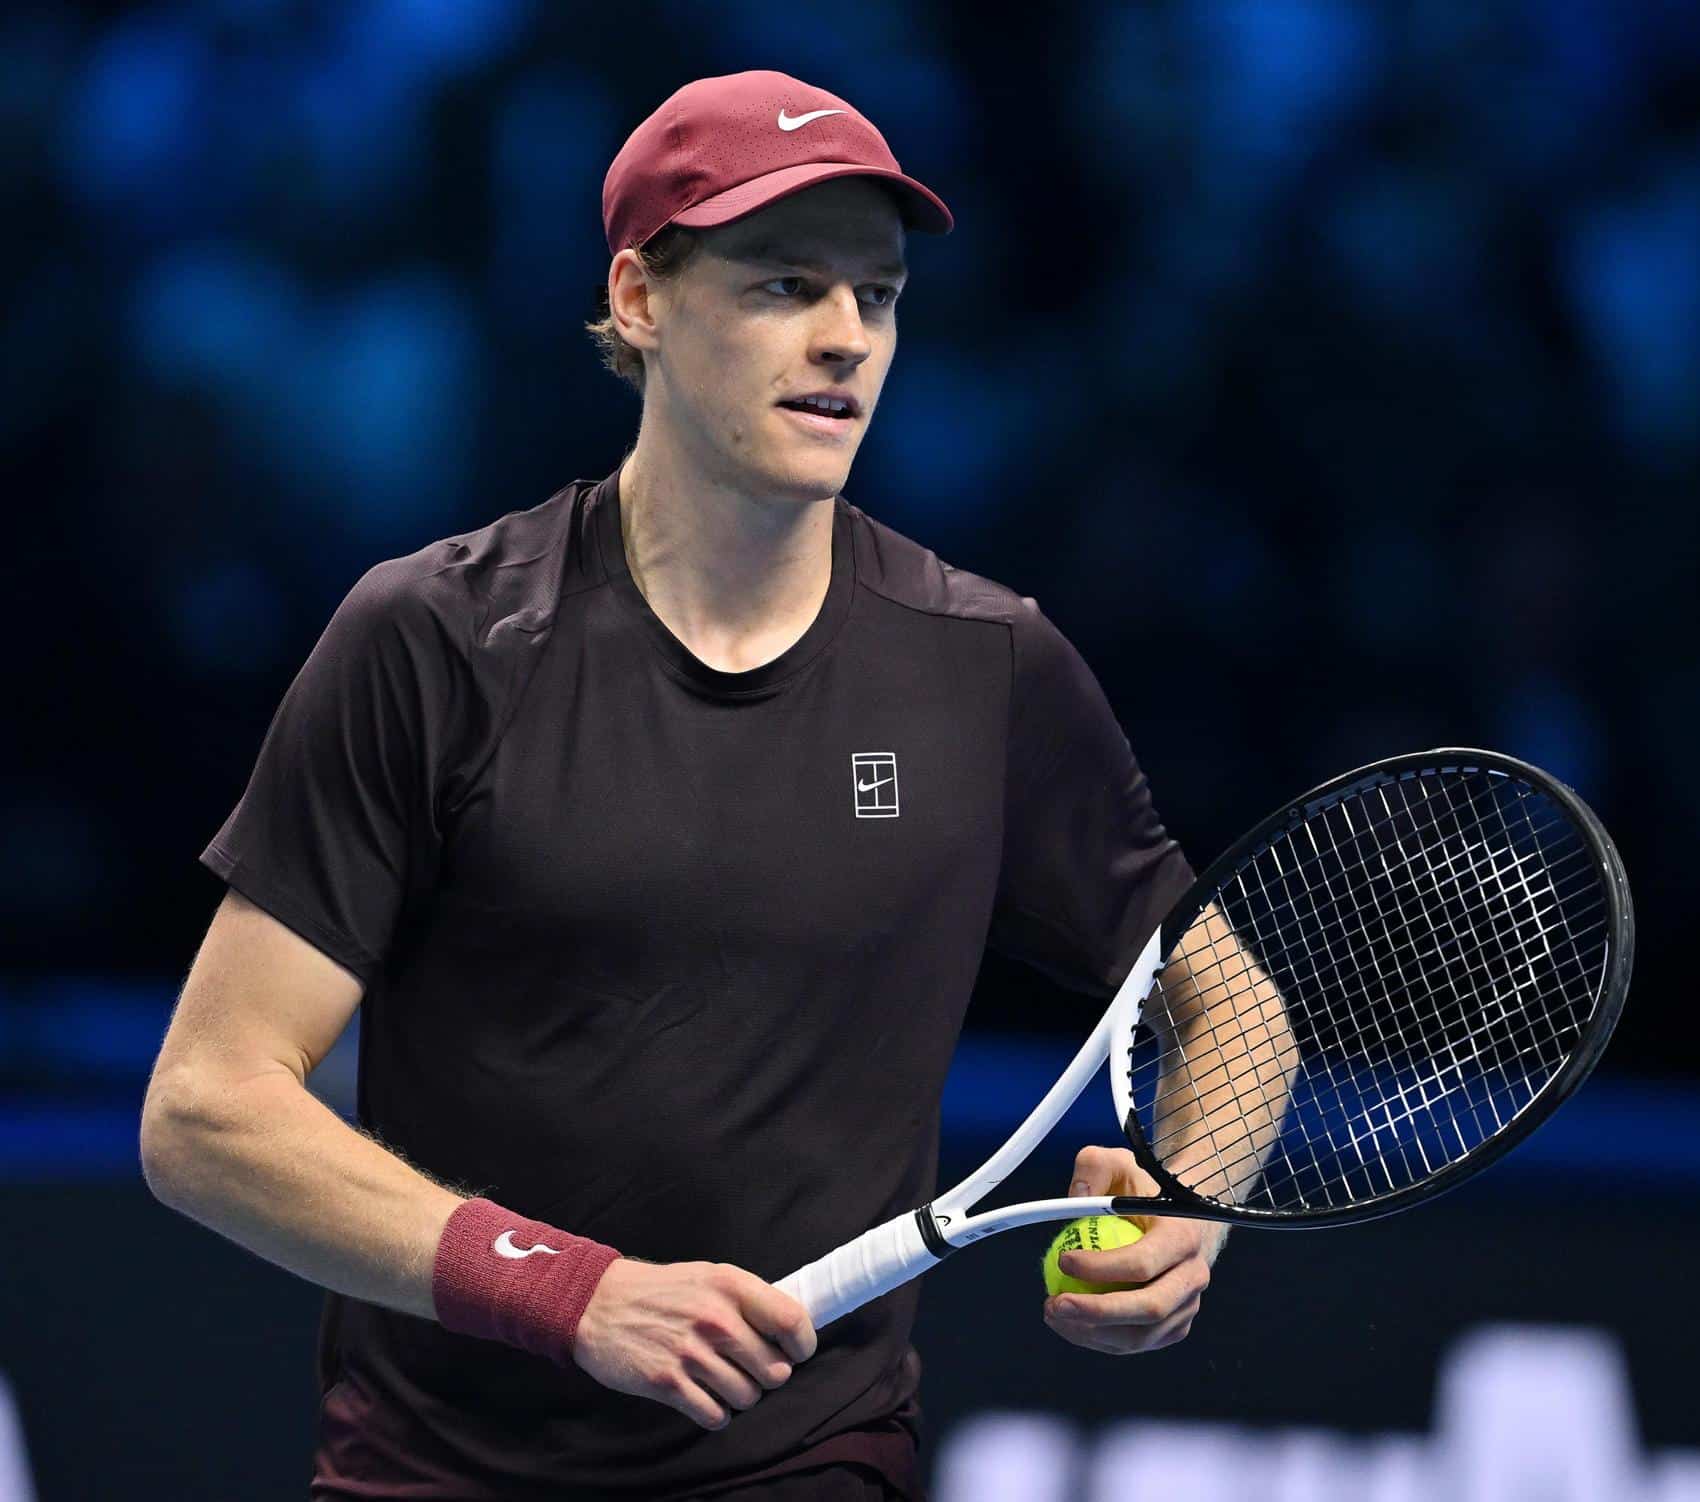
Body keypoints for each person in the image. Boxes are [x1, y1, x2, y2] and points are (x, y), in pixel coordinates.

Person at [140, 69, 1224, 1501]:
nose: (845, 336)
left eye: (878, 296)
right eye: (785, 285)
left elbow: (1226, 989)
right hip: (438, 1470)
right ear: (640, 298)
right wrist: (570, 1292)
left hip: (809, 1463)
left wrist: (1194, 1200)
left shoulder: (987, 665)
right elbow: (207, 1109)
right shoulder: (439, 638)